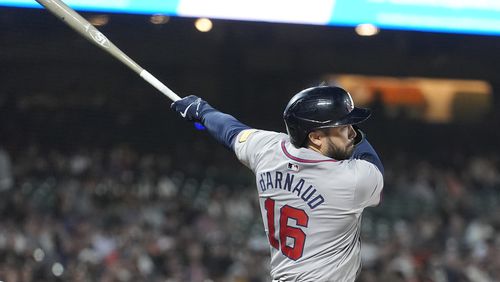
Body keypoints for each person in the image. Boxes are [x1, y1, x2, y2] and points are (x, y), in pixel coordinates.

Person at [171, 85, 384, 282]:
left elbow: (230, 131)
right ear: (316, 137)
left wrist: (202, 111)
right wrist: (203, 111)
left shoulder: (269, 149)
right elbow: (370, 160)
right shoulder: (350, 180)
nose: (353, 133)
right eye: (344, 127)